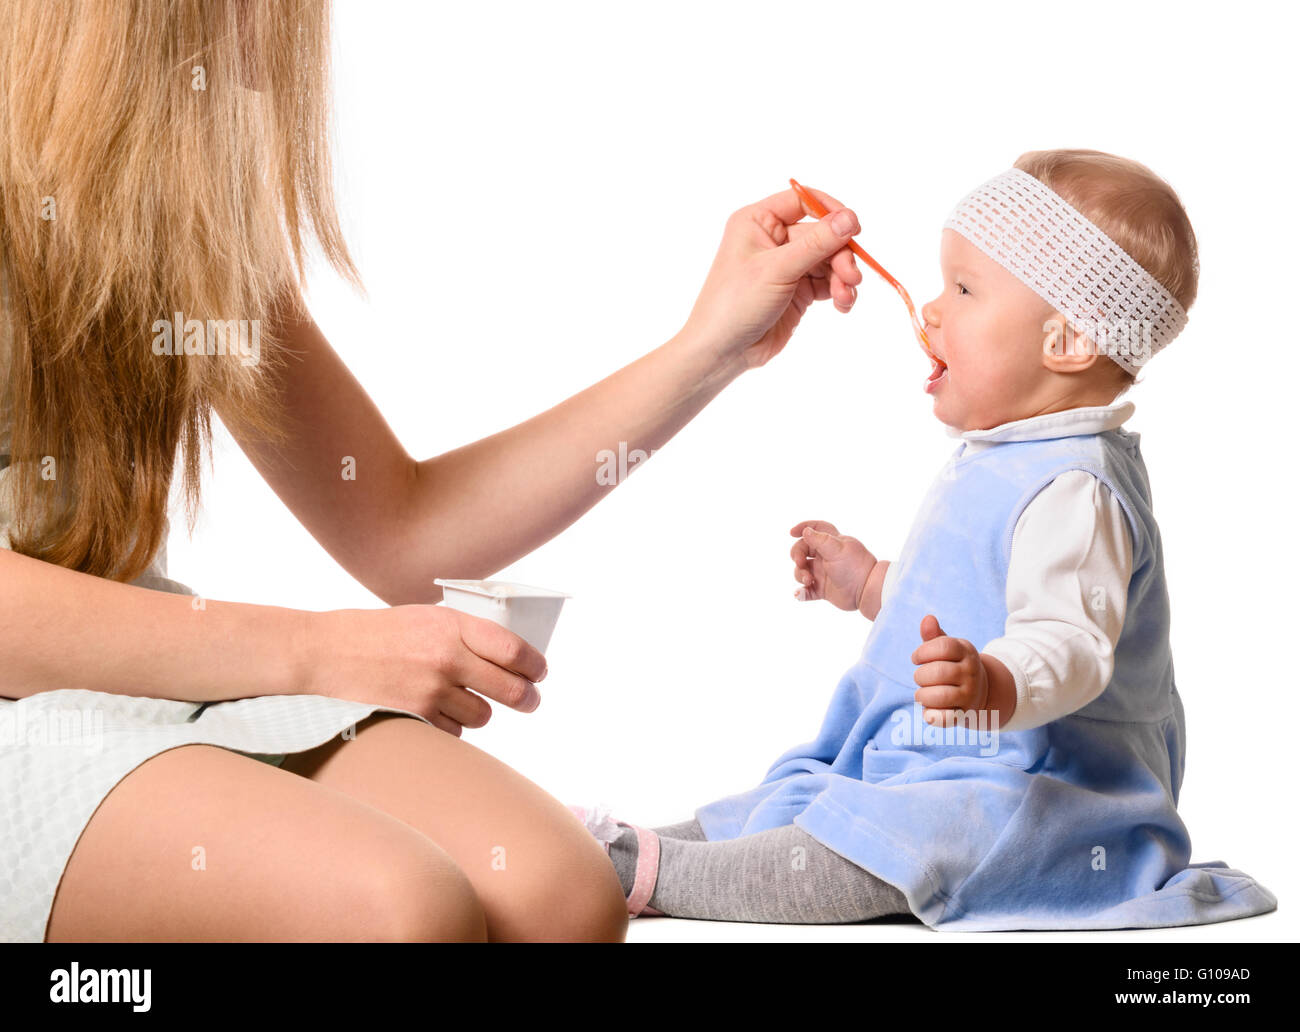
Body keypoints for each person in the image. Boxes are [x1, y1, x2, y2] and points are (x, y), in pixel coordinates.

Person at [0, 0, 865, 943]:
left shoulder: (161, 195)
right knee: (400, 909)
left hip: (141, 667)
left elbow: (403, 528)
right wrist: (318, 653)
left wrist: (711, 347)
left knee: (560, 893)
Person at [575, 149, 1279, 931]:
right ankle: (621, 847)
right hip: (927, 760)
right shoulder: (1007, 454)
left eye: (966, 289)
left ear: (1070, 342)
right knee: (796, 798)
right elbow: (964, 597)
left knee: (877, 847)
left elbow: (1072, 645)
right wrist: (871, 581)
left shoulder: (1074, 485)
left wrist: (993, 685)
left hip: (1038, 793)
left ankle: (635, 873)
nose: (934, 310)